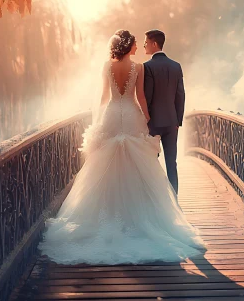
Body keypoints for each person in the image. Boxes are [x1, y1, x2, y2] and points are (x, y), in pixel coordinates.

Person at [37, 30, 206, 265]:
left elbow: (104, 97)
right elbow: (141, 98)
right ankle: (139, 215)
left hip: (111, 114)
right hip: (131, 113)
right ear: (129, 46)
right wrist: (146, 118)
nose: (139, 45)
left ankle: (104, 215)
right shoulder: (139, 68)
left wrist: (99, 121)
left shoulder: (107, 66)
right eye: (136, 43)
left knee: (105, 164)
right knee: (137, 164)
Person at [143, 29, 184, 195]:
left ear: (154, 44)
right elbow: (180, 96)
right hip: (171, 123)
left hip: (153, 124)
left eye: (146, 42)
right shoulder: (176, 66)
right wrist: (178, 121)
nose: (144, 45)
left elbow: (148, 97)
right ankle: (174, 199)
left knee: (152, 163)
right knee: (171, 163)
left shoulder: (147, 67)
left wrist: (145, 120)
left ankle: (156, 199)